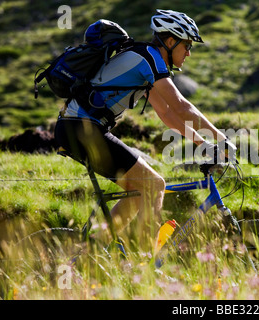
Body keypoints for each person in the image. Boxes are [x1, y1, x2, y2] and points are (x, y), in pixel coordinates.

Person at [54, 9, 235, 249]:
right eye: (187, 46)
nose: (189, 53)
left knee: (139, 191)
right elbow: (181, 106)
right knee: (153, 185)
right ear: (170, 42)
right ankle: (147, 264)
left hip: (80, 128)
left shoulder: (146, 60)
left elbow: (167, 114)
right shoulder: (147, 58)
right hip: (82, 128)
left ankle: (94, 252)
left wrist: (203, 144)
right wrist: (223, 140)